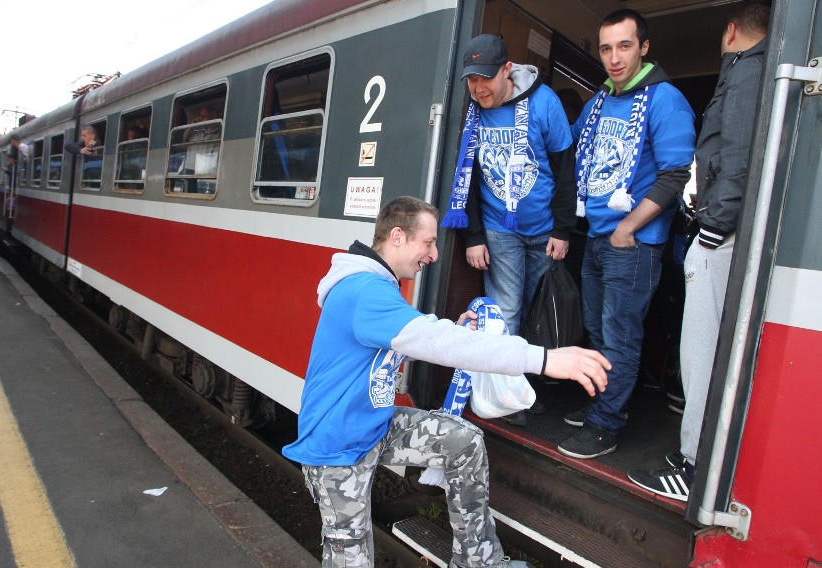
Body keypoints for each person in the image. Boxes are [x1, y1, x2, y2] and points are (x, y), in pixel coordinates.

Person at [283, 196, 611, 568]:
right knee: (350, 557)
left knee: (462, 441)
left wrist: (451, 329)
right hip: (337, 445)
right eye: (428, 242)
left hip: (371, 426)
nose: (435, 254)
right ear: (396, 237)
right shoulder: (364, 291)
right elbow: (438, 343)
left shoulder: (377, 286)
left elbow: (399, 345)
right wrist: (545, 358)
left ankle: (479, 561)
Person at [627, 2, 770, 501]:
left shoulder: (748, 73)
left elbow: (737, 157)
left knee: (701, 353)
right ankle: (694, 453)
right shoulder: (755, 71)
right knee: (700, 351)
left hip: (721, 237)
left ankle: (694, 466)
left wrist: (714, 225)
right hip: (724, 231)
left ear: (731, 31)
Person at [558, 9, 696, 460]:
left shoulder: (664, 99)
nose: (614, 58)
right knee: (598, 329)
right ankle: (606, 402)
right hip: (595, 235)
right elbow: (571, 144)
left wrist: (628, 227)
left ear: (644, 48)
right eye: (605, 48)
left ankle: (606, 425)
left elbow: (677, 173)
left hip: (632, 243)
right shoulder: (601, 98)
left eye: (624, 46)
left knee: (619, 335)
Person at [441, 34, 576, 338]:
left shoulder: (545, 103)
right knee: (506, 314)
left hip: (545, 229)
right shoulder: (473, 110)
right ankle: (501, 385)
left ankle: (521, 382)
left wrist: (562, 229)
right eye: (472, 80)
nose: (478, 88)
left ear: (507, 69)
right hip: (499, 230)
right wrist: (474, 236)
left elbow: (566, 170)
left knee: (535, 310)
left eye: (485, 78)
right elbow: (468, 177)